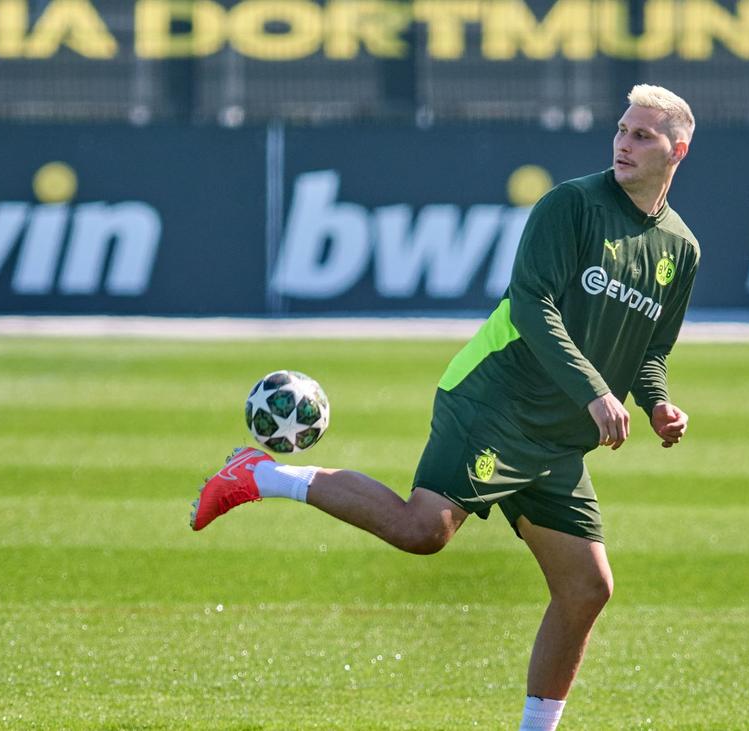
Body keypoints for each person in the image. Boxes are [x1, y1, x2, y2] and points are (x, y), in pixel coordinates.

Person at [190, 84, 699, 731]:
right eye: (622, 129)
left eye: (642, 136)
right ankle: (259, 473)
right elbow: (532, 306)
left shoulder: (680, 248)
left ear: (677, 151)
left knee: (586, 588)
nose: (624, 143)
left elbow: (650, 350)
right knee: (423, 530)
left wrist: (657, 403)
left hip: (556, 439)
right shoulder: (572, 205)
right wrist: (596, 392)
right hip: (495, 399)